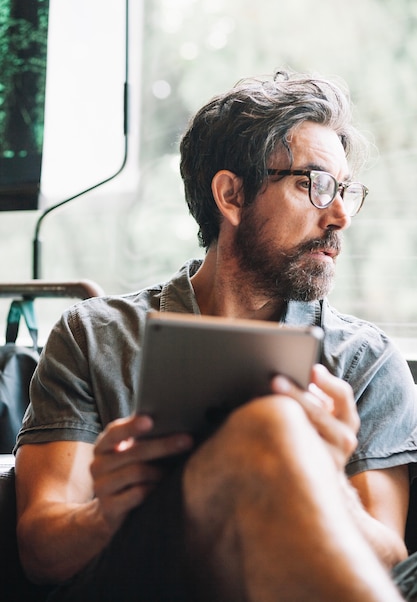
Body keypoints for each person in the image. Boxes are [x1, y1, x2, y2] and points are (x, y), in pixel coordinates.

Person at [13, 69, 417, 602]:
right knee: (267, 424)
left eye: (345, 191)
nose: (339, 214)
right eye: (314, 185)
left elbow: (389, 563)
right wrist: (105, 512)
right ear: (230, 195)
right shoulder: (94, 337)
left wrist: (321, 482)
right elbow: (40, 555)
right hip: (140, 582)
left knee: (270, 429)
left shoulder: (365, 363)